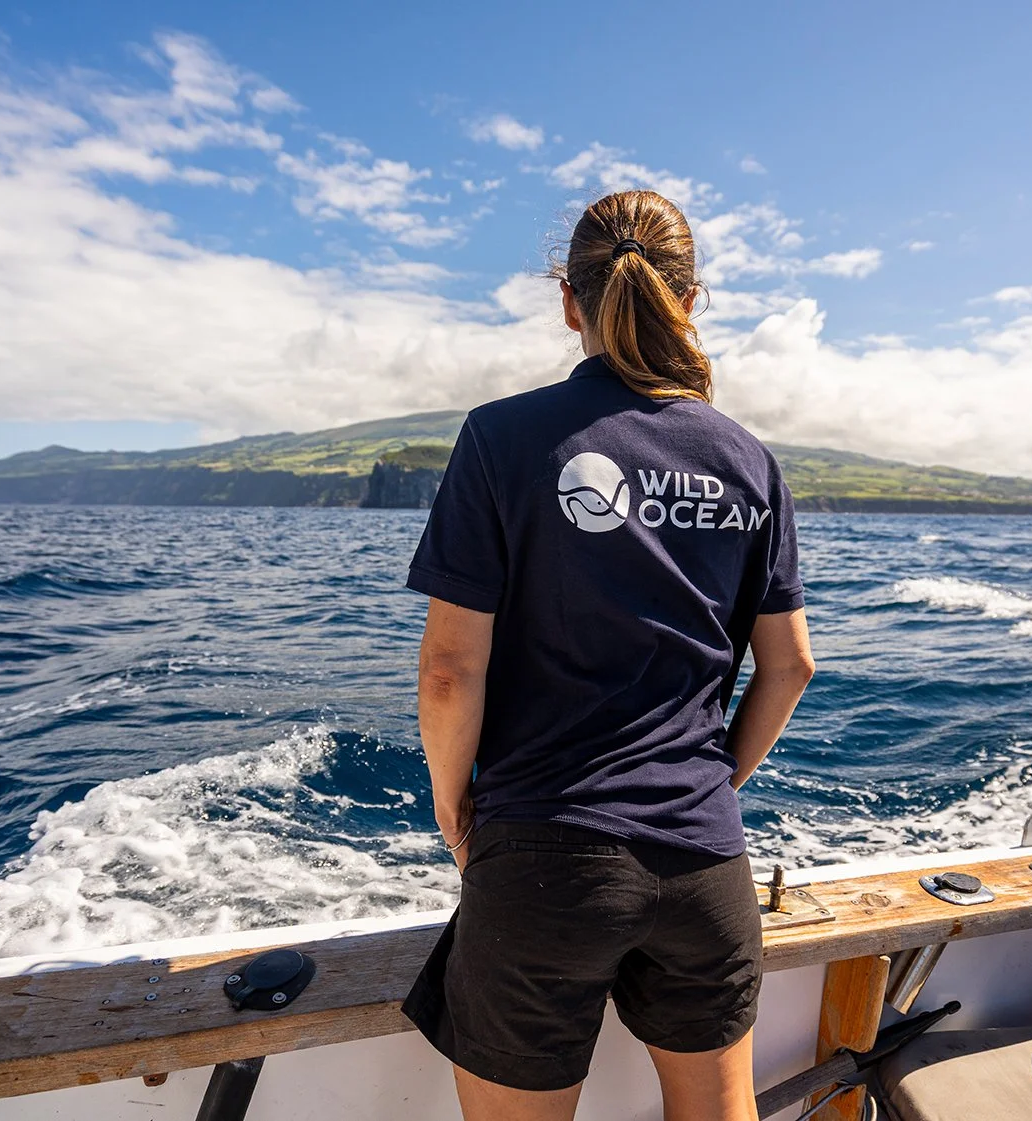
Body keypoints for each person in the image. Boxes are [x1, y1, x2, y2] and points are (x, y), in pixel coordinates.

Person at [400, 189, 815, 1121]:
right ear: (691, 298)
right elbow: (789, 668)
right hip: (708, 868)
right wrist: (714, 783)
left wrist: (450, 801)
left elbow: (448, 670)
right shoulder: (749, 460)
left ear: (567, 300)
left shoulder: (501, 438)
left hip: (544, 862)